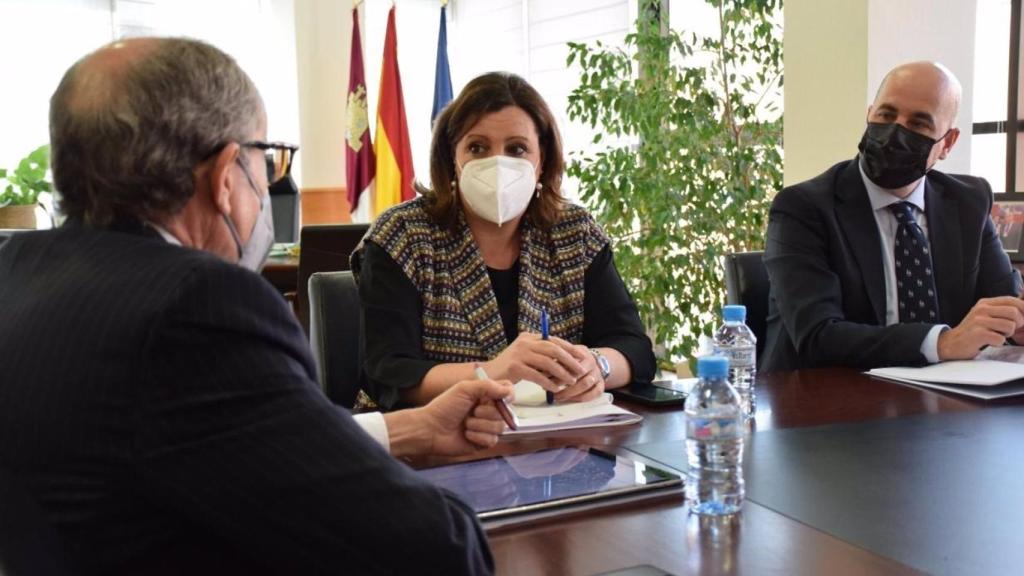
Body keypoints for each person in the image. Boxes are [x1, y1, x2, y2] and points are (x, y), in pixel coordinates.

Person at [0, 37, 508, 575]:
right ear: (225, 177)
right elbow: (435, 551)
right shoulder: (198, 309)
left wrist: (410, 432)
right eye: (264, 161)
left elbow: (192, 443)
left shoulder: (18, 272)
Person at [352, 72, 656, 409]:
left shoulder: (575, 234)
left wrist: (596, 367)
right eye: (477, 147)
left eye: (517, 149)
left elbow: (635, 348)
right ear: (453, 159)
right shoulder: (403, 236)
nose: (497, 163)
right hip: (432, 445)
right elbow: (388, 375)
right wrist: (494, 372)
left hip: (555, 442)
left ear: (542, 163)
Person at [763, 61, 1024, 372]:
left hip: (946, 398)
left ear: (948, 143)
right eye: (886, 115)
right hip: (825, 401)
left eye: (918, 124)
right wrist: (941, 343)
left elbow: (1002, 303)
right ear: (869, 114)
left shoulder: (969, 201)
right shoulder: (803, 207)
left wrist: (1014, 326)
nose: (894, 133)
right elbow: (818, 336)